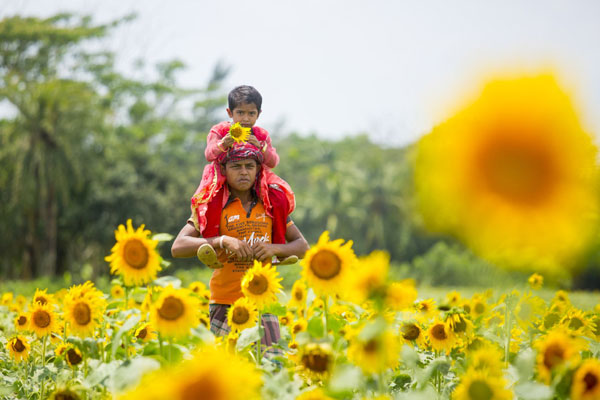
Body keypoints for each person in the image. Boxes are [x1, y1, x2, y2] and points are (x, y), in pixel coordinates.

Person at [171, 142, 309, 350]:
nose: (243, 172)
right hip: (224, 304)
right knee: (227, 373)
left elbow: (302, 247)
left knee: (268, 370)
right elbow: (178, 246)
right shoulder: (212, 207)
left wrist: (274, 248)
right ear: (224, 170)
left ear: (258, 170)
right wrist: (222, 241)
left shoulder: (271, 205)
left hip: (264, 304)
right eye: (236, 166)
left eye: (249, 166)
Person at [190, 85, 295, 269]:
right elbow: (209, 154)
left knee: (278, 199)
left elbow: (273, 161)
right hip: (222, 178)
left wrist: (261, 147)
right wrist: (223, 144)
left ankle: (280, 249)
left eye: (251, 113)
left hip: (257, 178)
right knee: (210, 204)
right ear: (230, 112)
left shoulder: (261, 134)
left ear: (259, 114)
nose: (246, 119)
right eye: (240, 113)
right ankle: (212, 249)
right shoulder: (220, 131)